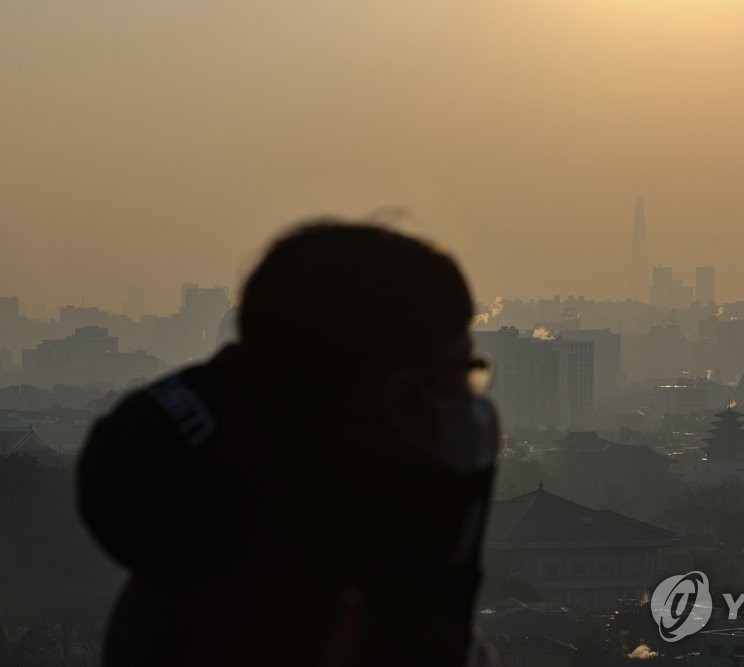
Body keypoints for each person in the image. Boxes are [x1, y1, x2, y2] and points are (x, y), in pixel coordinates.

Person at [76, 219, 501, 666]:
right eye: (467, 370)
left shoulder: (201, 558)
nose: (474, 401)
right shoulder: (339, 629)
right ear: (400, 398)